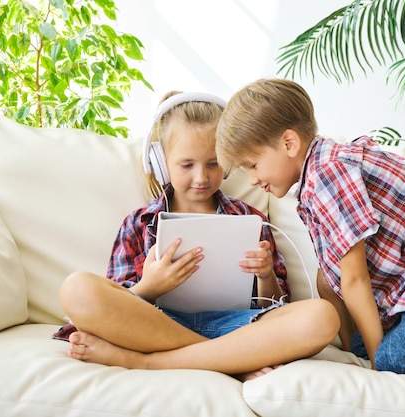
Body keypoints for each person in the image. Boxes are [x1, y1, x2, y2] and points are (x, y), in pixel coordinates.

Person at [214, 78, 405, 375]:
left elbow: (355, 280)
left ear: (289, 143)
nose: (252, 179)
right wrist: (360, 353)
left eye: (253, 165)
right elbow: (334, 277)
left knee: (394, 361)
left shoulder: (327, 174)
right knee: (334, 292)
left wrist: (377, 366)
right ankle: (369, 351)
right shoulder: (317, 174)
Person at [54, 91, 339, 380]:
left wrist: (266, 276)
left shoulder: (249, 219)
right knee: (77, 288)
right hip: (156, 327)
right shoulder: (138, 222)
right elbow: (116, 303)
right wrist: (148, 288)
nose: (202, 177)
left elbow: (278, 305)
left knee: (322, 316)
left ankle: (146, 363)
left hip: (239, 326)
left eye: (213, 163)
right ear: (161, 163)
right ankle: (231, 362)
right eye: (187, 165)